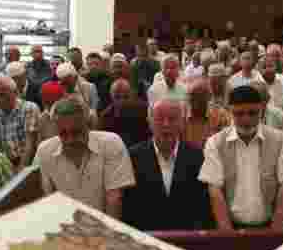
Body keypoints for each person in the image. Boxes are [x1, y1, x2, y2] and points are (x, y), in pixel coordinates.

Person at [198, 85, 283, 230]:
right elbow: (214, 189)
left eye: (252, 113)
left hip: (271, 226)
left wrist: (275, 231)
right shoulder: (215, 143)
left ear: (261, 111)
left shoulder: (281, 140)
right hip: (231, 228)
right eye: (239, 114)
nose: (246, 119)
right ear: (229, 112)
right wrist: (227, 233)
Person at [35, 99, 135, 219]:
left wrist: (108, 235)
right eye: (63, 133)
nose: (70, 139)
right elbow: (49, 200)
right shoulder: (45, 151)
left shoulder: (111, 143)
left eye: (76, 132)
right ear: (55, 129)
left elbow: (114, 198)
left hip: (106, 226)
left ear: (89, 124)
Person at [123, 99, 212, 231]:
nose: (166, 124)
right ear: (150, 122)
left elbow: (203, 208)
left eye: (172, 119)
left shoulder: (198, 157)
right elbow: (128, 208)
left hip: (188, 240)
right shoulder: (132, 157)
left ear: (182, 123)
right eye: (160, 119)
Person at [0, 75, 41, 170]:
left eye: (3, 94)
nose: (1, 99)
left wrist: (21, 169)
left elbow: (31, 144)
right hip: (3, 164)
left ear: (15, 93)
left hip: (29, 162)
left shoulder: (29, 108)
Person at [97, 79, 151, 149]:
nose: (122, 101)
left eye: (126, 97)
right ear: (111, 97)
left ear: (132, 95)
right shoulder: (106, 117)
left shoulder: (144, 110)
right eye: (117, 97)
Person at [184, 77, 230, 149]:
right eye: (192, 95)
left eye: (200, 95)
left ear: (209, 97)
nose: (196, 100)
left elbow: (227, 141)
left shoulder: (220, 115)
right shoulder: (180, 115)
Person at [261, 46, 283, 110]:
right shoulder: (256, 83)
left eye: (270, 66)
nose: (267, 70)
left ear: (275, 67)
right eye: (264, 67)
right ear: (259, 69)